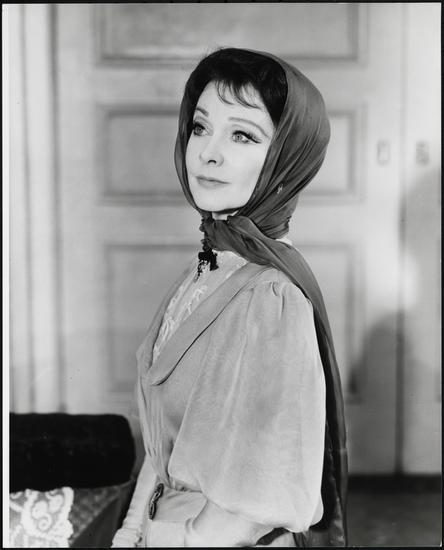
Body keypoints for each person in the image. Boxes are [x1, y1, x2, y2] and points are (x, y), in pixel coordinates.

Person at [111, 47, 347, 548]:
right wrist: (130, 532)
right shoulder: (206, 268)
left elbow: (253, 508)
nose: (208, 152)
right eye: (200, 127)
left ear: (287, 159)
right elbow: (164, 448)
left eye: (242, 135)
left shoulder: (272, 297)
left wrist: (169, 541)